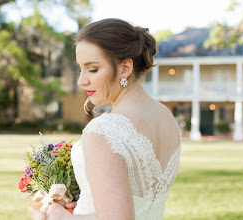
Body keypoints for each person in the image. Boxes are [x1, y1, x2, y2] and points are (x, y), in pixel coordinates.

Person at [45, 18, 181, 220]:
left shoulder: (104, 131)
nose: (81, 81)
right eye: (80, 69)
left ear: (125, 68)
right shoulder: (166, 118)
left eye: (92, 69)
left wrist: (58, 215)